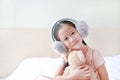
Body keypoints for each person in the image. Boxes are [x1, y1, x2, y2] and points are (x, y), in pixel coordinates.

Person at [39, 18, 109, 80]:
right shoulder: (66, 57)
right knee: (40, 77)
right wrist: (73, 76)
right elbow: (55, 78)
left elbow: (105, 78)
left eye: (73, 33)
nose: (72, 39)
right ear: (62, 46)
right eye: (66, 38)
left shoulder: (94, 54)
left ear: (80, 31)